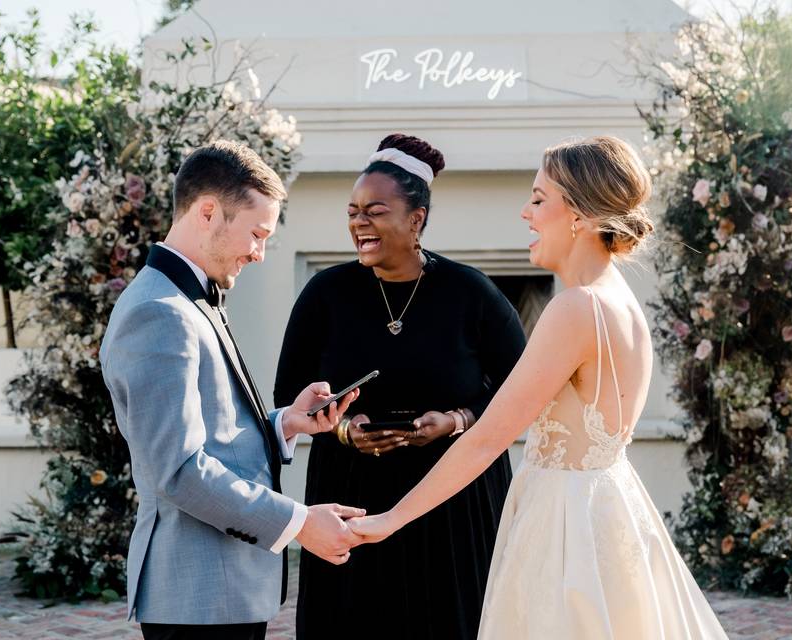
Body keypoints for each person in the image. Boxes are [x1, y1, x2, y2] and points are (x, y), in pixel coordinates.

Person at [350, 136, 730, 639]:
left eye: (537, 199)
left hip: (566, 528)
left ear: (578, 216)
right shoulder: (622, 305)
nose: (526, 214)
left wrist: (390, 520)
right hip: (610, 510)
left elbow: (487, 437)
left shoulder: (575, 309)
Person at [100, 140, 366, 640]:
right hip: (197, 596)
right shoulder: (160, 312)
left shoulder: (185, 299)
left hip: (220, 592)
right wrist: (300, 524)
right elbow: (179, 470)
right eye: (257, 234)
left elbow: (209, 436)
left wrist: (285, 423)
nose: (260, 253)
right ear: (207, 212)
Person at [274, 133, 526, 640]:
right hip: (350, 497)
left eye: (375, 210)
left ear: (417, 219)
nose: (359, 222)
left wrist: (455, 421)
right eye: (352, 211)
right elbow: (290, 394)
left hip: (454, 499)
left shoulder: (471, 292)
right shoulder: (326, 294)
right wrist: (344, 427)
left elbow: (519, 391)